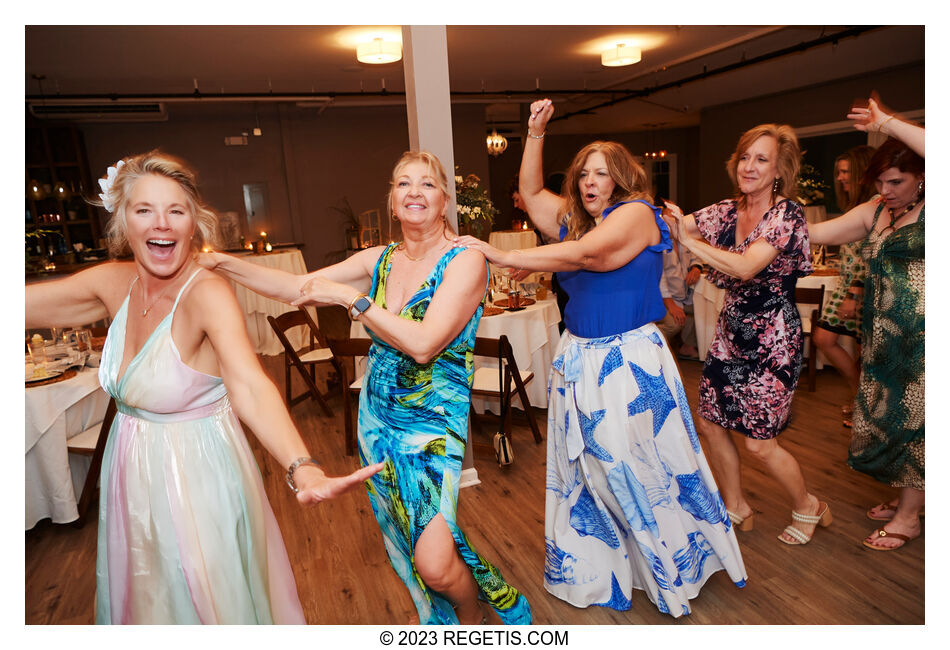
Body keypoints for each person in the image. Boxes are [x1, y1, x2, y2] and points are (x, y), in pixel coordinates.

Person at [25, 151, 382, 624]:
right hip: (130, 470)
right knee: (147, 597)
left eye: (177, 210)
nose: (163, 224)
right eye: (145, 210)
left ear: (195, 223)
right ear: (123, 223)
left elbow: (250, 385)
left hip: (197, 475)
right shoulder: (113, 283)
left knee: (208, 599)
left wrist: (304, 467)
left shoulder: (206, 293)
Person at [198, 151, 531, 625]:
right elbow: (296, 287)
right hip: (376, 418)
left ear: (444, 202)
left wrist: (352, 300)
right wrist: (219, 263)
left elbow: (422, 345)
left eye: (427, 184)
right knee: (406, 533)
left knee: (434, 560)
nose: (414, 191)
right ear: (393, 202)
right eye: (403, 184)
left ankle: (472, 615)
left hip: (433, 422)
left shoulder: (466, 261)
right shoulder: (380, 258)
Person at [455, 98, 746, 618]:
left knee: (639, 469)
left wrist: (508, 254)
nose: (590, 182)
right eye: (583, 174)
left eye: (601, 173)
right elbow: (529, 194)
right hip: (580, 358)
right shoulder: (574, 222)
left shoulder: (638, 214)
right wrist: (535, 132)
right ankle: (609, 564)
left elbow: (595, 257)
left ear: (622, 179)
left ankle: (672, 564)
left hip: (629, 363)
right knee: (588, 469)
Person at [664, 123, 831, 546]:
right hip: (730, 333)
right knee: (712, 423)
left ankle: (809, 503)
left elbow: (744, 267)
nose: (750, 167)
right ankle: (736, 505)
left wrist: (686, 239)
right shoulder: (724, 211)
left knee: (760, 443)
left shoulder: (786, 214)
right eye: (745, 157)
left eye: (762, 160)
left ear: (778, 171)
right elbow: (669, 229)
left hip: (773, 339)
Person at [809, 98, 924, 551]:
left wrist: (888, 124)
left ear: (921, 177)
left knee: (919, 422)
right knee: (894, 420)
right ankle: (906, 498)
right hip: (881, 336)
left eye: (896, 181)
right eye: (879, 180)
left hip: (925, 338)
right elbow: (819, 233)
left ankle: (910, 516)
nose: (886, 188)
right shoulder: (876, 211)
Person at [813, 145, 876, 427]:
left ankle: (865, 406)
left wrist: (854, 294)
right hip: (845, 284)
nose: (839, 177)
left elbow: (870, 256)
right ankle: (860, 396)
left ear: (862, 172)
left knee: (866, 354)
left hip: (862, 289)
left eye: (845, 171)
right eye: (838, 171)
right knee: (823, 338)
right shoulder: (854, 206)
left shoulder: (876, 205)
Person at [655, 237, 703, 358]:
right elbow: (660, 278)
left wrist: (696, 268)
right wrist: (671, 305)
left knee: (701, 307)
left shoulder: (682, 238)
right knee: (674, 324)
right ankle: (653, 349)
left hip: (683, 295)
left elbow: (695, 256)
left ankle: (687, 345)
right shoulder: (657, 240)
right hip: (662, 298)